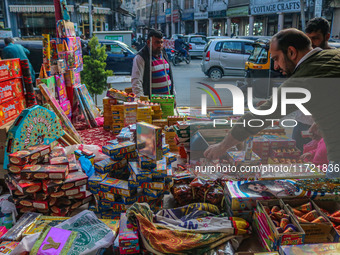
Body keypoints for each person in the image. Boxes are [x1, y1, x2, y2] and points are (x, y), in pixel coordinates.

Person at [204, 28, 340, 178]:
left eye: (276, 58)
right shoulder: (334, 55)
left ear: (291, 52)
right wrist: (321, 122)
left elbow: (258, 118)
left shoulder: (302, 79)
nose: (275, 66)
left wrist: (222, 147)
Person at [292, 17, 333, 151]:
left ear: (327, 36)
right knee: (295, 162)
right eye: (308, 39)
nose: (311, 43)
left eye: (315, 38)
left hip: (323, 129)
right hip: (300, 122)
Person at [132, 29, 174, 98]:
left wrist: (173, 96)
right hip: (151, 103)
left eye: (161, 42)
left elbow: (170, 77)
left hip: (167, 101)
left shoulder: (163, 53)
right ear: (148, 42)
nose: (160, 45)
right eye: (157, 42)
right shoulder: (141, 57)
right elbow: (136, 82)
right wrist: (142, 101)